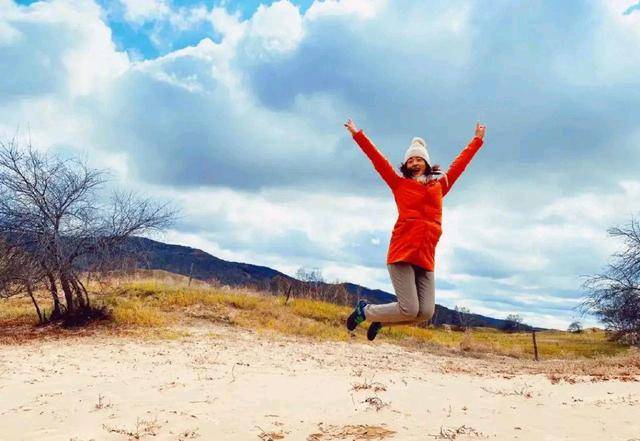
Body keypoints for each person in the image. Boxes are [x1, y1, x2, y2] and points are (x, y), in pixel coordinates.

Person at [344, 118, 486, 340]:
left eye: (419, 159)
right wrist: (357, 134)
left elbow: (460, 165)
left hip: (426, 256)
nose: (415, 162)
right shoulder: (399, 184)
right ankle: (365, 311)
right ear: (406, 165)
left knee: (425, 312)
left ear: (427, 163)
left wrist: (476, 141)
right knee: (409, 308)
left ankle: (381, 319)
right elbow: (377, 159)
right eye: (410, 160)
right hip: (402, 252)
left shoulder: (440, 186)